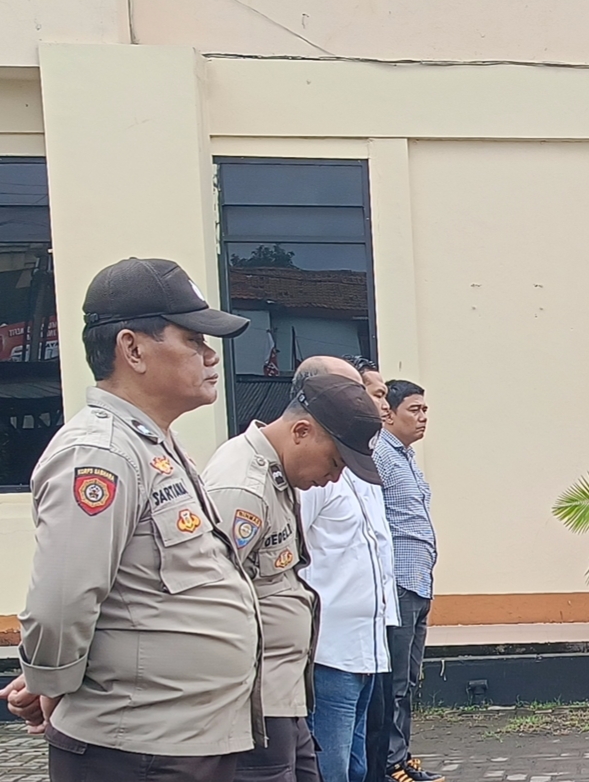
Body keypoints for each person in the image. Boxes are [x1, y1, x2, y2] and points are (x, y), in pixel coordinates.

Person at [0, 258, 260, 781]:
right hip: (136, 752)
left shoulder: (152, 445)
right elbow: (62, 601)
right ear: (133, 349)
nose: (211, 356)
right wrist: (50, 684)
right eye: (193, 339)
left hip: (176, 742)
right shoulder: (101, 453)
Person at [203, 364, 385, 782]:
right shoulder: (243, 489)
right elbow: (208, 600)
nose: (335, 477)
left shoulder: (278, 475)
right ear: (301, 431)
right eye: (335, 462)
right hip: (252, 702)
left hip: (282, 693)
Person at [300, 356, 401, 782]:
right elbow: (293, 555)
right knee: (333, 767)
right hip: (331, 649)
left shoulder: (365, 467)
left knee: (361, 763)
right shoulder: (316, 471)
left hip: (368, 644)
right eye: (368, 393)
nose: (380, 403)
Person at [375, 380, 443, 782]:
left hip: (418, 581)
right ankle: (390, 762)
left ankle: (401, 754)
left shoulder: (406, 457)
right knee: (396, 681)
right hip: (398, 583)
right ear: (390, 413)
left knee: (411, 677)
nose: (422, 418)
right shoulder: (380, 455)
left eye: (425, 410)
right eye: (413, 410)